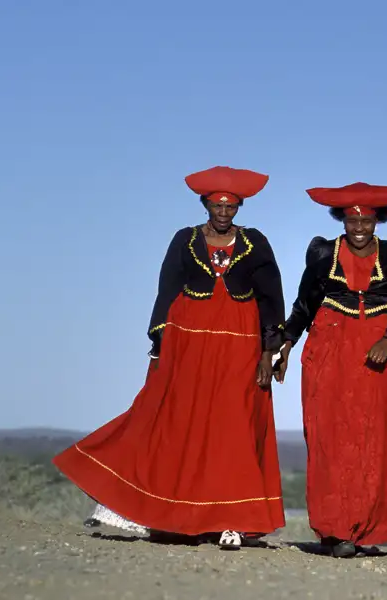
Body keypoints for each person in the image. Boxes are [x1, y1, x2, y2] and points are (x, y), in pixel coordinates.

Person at [54, 166, 287, 548]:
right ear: (205, 204)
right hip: (187, 342)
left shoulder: (256, 243)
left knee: (232, 426)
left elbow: (270, 298)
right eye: (217, 205)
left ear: (240, 207)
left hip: (239, 345)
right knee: (171, 419)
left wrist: (268, 353)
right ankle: (141, 508)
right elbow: (166, 289)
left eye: (231, 206)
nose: (224, 212)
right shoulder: (185, 239)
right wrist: (160, 342)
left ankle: (231, 519)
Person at [276, 182, 387, 558]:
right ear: (342, 219)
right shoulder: (323, 253)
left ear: (377, 221)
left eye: (366, 221)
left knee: (375, 441)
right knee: (330, 438)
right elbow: (304, 304)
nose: (358, 228)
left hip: (381, 352)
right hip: (331, 350)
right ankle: (336, 529)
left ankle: (364, 526)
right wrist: (286, 343)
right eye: (351, 220)